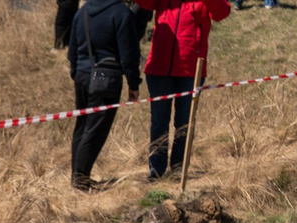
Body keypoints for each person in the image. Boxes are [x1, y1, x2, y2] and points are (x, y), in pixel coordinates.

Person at [63, 0, 149, 191]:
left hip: (82, 77)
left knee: (82, 126)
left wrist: (76, 73)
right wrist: (133, 83)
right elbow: (128, 55)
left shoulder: (83, 11)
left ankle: (78, 177)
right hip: (107, 79)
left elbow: (72, 50)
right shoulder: (121, 14)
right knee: (95, 130)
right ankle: (80, 181)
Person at [146, 0, 229, 180]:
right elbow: (143, 3)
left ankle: (178, 169)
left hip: (191, 70)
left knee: (185, 122)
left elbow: (222, 12)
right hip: (159, 69)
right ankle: (156, 171)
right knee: (159, 122)